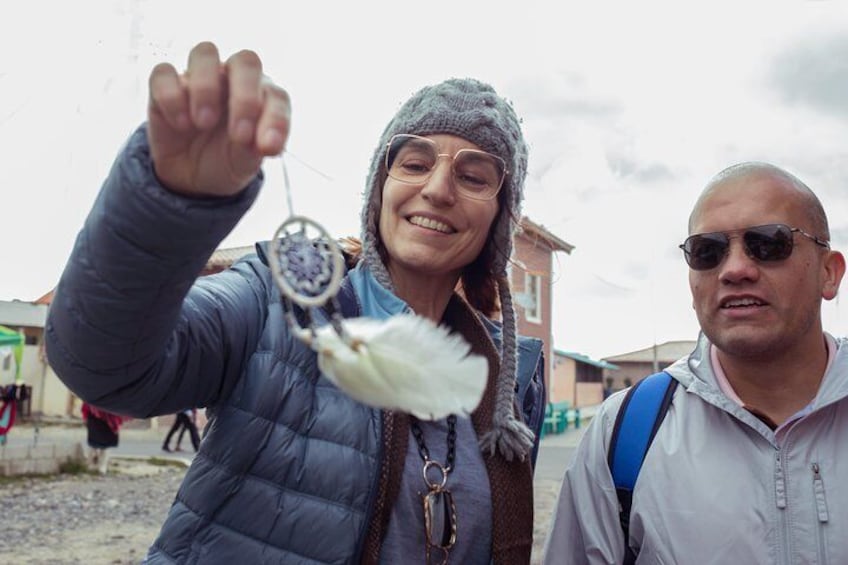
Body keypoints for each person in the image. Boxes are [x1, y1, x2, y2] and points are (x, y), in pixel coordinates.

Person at [46, 41, 546, 564]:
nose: (438, 189)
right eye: (415, 162)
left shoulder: (507, 383)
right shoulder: (279, 300)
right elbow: (107, 367)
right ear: (380, 189)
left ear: (499, 219)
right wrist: (168, 209)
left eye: (473, 176)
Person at [543, 162, 847, 564]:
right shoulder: (626, 431)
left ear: (830, 273)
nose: (735, 269)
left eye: (769, 243)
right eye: (708, 252)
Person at [81, 402, 127, 475]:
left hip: (107, 422)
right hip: (97, 421)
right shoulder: (95, 395)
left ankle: (99, 467)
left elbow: (85, 408)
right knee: (96, 445)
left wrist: (85, 418)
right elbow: (85, 408)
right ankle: (96, 466)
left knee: (103, 446)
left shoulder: (94, 395)